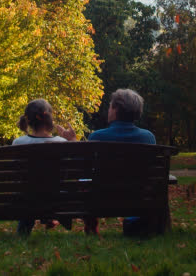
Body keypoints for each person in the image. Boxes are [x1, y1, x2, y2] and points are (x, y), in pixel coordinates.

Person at [56, 88, 156, 236]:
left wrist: (72, 142)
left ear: (115, 109)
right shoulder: (148, 137)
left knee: (85, 184)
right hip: (139, 198)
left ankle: (91, 226)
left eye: (110, 106)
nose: (108, 110)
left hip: (101, 199)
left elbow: (82, 168)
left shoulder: (97, 137)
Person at [12, 98, 69, 235]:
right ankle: (50, 216)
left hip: (26, 199)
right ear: (49, 118)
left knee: (31, 192)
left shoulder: (18, 143)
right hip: (56, 198)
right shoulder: (62, 142)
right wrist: (72, 141)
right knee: (49, 190)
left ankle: (24, 230)